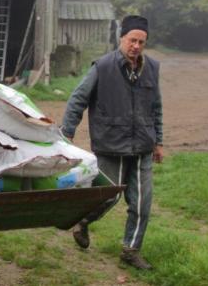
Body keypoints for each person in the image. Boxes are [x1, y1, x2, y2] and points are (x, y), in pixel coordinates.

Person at [61, 15, 164, 270]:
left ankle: (130, 250)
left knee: (142, 203)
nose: (136, 46)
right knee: (108, 198)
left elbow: (156, 107)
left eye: (141, 41)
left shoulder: (151, 68)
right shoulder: (103, 67)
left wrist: (158, 141)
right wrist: (67, 133)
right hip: (111, 144)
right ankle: (83, 222)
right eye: (132, 40)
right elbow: (77, 99)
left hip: (142, 146)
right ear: (122, 39)